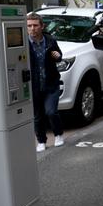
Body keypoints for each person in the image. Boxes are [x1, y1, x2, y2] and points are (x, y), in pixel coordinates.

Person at [26, 13, 65, 152]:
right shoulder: (24, 43)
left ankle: (58, 134)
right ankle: (41, 141)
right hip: (34, 85)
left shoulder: (50, 40)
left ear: (41, 26)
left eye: (35, 25)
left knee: (51, 112)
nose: (32, 29)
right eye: (29, 26)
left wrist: (58, 56)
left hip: (51, 83)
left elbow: (59, 56)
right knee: (37, 116)